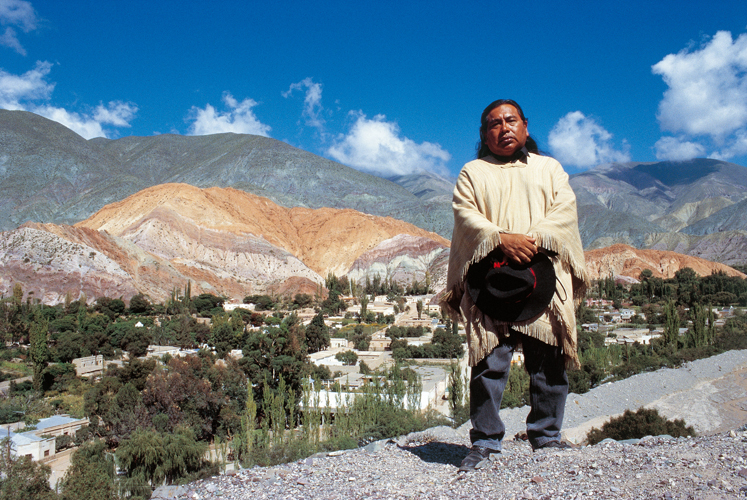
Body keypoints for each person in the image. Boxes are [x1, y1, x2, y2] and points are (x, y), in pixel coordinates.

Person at [441, 99, 589, 472]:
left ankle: (547, 437)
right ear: (483, 134)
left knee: (549, 364)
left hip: (544, 279)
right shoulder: (473, 173)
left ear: (525, 125)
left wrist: (533, 239)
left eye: (510, 120)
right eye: (493, 123)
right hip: (490, 279)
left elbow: (564, 211)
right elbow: (465, 214)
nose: (503, 128)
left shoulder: (549, 169)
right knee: (489, 364)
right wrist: (500, 238)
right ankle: (486, 443)